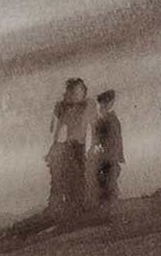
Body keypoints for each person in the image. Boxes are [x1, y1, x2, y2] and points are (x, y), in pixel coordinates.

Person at [45, 77, 90, 218]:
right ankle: (70, 206)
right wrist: (54, 146)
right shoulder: (66, 109)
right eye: (74, 93)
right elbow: (57, 129)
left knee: (79, 175)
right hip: (70, 145)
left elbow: (93, 126)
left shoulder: (87, 106)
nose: (77, 96)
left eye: (80, 92)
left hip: (80, 146)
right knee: (70, 175)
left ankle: (77, 206)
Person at [90, 88, 124, 209]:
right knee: (105, 180)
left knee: (109, 181)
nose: (101, 107)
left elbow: (114, 140)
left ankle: (111, 205)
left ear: (110, 104)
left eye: (104, 104)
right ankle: (107, 204)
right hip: (106, 155)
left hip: (109, 155)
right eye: (101, 105)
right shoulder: (104, 119)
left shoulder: (110, 120)